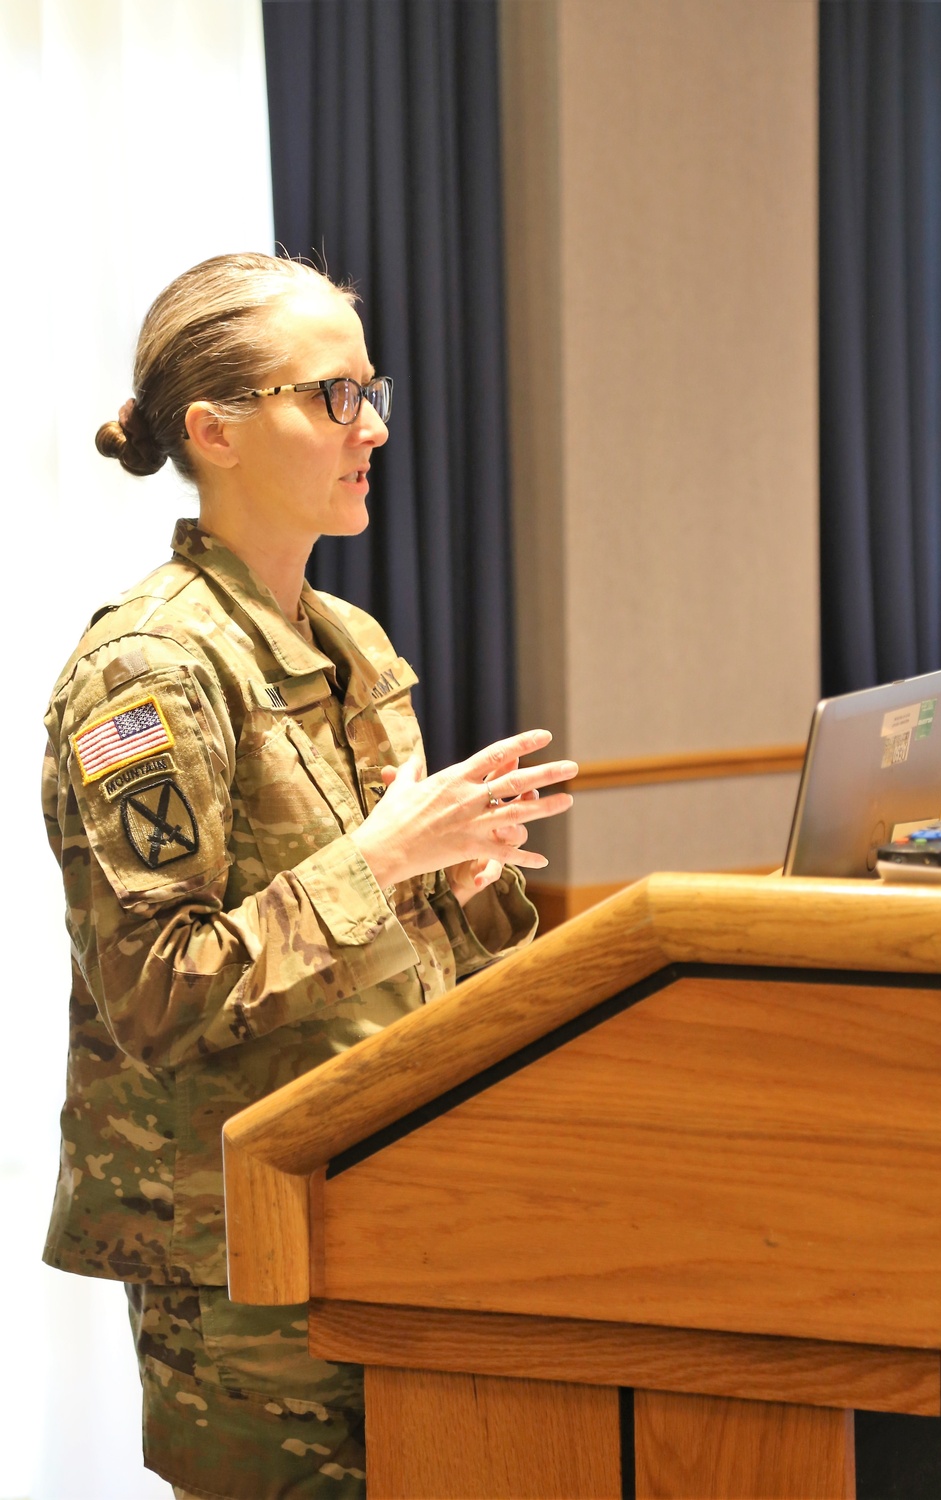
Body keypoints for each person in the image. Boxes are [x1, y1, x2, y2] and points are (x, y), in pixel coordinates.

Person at [42, 251, 577, 1500]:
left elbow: (403, 938)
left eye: (370, 390)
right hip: (246, 1246)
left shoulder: (349, 641)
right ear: (214, 432)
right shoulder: (148, 674)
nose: (373, 426)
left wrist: (469, 875)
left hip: (399, 1197)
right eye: (332, 396)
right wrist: (383, 858)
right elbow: (158, 992)